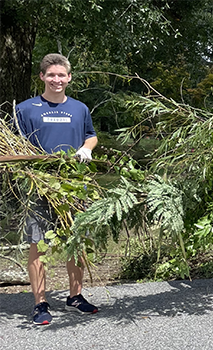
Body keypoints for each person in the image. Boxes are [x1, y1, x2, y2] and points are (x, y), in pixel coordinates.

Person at [15, 53, 99, 325]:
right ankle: (40, 303)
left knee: (77, 242)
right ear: (42, 77)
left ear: (69, 78)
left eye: (61, 75)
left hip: (74, 185)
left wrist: (86, 149)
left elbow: (91, 134)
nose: (56, 79)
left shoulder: (79, 108)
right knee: (38, 243)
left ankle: (75, 296)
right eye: (51, 75)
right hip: (39, 185)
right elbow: (17, 146)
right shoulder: (26, 109)